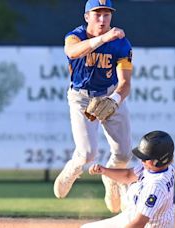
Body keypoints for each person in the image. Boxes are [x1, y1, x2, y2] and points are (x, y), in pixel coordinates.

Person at [53, 0, 133, 213]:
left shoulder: (122, 44)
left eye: (106, 14)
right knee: (88, 153)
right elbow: (72, 52)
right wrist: (104, 37)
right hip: (81, 98)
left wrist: (114, 101)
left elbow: (125, 84)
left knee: (124, 154)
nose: (102, 19)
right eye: (97, 14)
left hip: (109, 95)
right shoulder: (75, 35)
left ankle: (111, 178)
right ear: (86, 16)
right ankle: (73, 167)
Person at [81, 130, 175, 228]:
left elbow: (139, 223)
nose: (141, 160)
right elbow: (128, 175)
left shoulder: (156, 187)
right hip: (132, 215)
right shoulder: (162, 167)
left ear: (159, 161)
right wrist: (104, 171)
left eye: (145, 158)